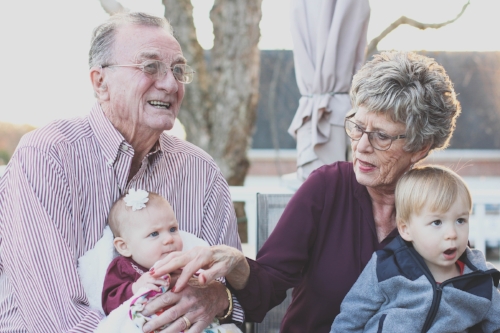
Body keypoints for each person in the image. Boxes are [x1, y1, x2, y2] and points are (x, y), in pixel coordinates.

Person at [147, 51, 463, 333]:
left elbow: (462, 298)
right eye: (357, 126)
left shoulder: (441, 206)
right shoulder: (327, 188)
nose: (361, 147)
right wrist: (237, 262)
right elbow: (264, 292)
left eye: (381, 136)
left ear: (420, 148)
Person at [0, 12, 243, 333]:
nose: (171, 84)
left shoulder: (201, 170)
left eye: (178, 70)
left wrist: (218, 297)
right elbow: (54, 317)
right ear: (101, 83)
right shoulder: (48, 155)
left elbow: (235, 299)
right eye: (150, 66)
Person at [330, 166, 500, 333]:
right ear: (405, 229)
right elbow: (351, 318)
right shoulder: (387, 267)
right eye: (437, 222)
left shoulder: (480, 281)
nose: (452, 234)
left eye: (460, 220)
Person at [102, 190, 181, 315]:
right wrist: (135, 288)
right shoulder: (123, 267)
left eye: (173, 229)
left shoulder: (182, 263)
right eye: (154, 233)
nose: (169, 239)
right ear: (124, 246)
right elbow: (109, 303)